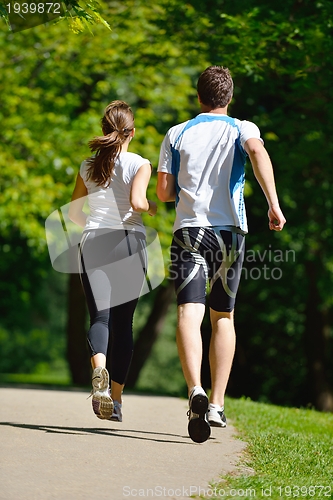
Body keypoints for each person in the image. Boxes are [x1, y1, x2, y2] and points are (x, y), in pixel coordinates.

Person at [157, 66, 286, 443]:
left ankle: (194, 387)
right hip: (229, 235)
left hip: (188, 232)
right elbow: (258, 152)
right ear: (229, 98)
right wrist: (273, 205)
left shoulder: (176, 133)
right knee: (223, 317)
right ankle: (215, 404)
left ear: (198, 97)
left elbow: (165, 193)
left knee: (188, 313)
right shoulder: (243, 128)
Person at [69, 100, 157, 423]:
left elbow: (75, 214)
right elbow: (137, 201)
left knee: (100, 318)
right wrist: (150, 208)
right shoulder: (140, 163)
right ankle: (116, 401)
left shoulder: (87, 166)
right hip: (129, 244)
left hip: (94, 242)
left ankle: (100, 375)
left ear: (104, 131)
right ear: (131, 132)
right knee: (124, 326)